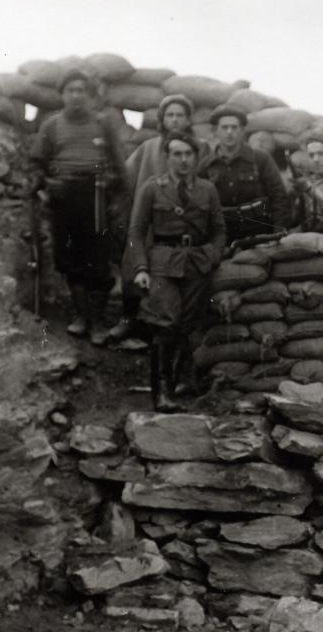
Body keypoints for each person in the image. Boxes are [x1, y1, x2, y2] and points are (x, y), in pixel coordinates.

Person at [125, 129, 225, 411]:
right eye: (177, 154)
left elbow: (219, 230)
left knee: (187, 325)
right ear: (167, 157)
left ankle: (179, 386)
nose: (183, 160)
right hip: (162, 264)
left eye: (188, 154)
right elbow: (136, 231)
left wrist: (214, 255)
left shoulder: (207, 189)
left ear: (196, 158)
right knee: (165, 322)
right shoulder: (152, 188)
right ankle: (161, 394)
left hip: (197, 263)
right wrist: (141, 268)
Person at [29, 69, 129, 339]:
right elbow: (38, 161)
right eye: (70, 90)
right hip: (64, 197)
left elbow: (120, 166)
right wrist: (40, 184)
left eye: (81, 90)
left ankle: (97, 321)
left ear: (89, 95)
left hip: (96, 195)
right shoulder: (51, 125)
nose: (75, 95)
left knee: (98, 258)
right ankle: (82, 316)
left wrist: (115, 194)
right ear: (62, 94)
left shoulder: (102, 124)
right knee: (69, 258)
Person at [116, 92, 201, 348]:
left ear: (188, 120)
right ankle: (131, 320)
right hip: (151, 220)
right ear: (162, 120)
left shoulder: (199, 148)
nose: (175, 120)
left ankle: (169, 333)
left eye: (180, 115)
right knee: (135, 265)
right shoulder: (149, 147)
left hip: (184, 224)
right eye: (170, 115)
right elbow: (127, 180)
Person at [199, 105, 291, 243]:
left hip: (260, 232)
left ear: (242, 131)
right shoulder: (206, 165)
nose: (229, 132)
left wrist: (278, 232)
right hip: (224, 235)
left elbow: (278, 196)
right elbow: (200, 205)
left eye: (234, 127)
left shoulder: (260, 159)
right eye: (224, 128)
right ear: (215, 131)